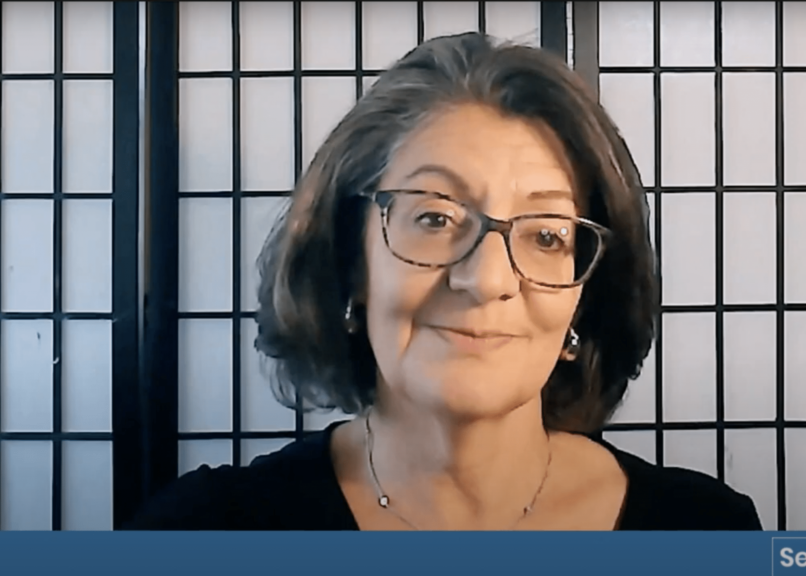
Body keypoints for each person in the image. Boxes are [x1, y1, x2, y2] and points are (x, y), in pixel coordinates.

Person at [126, 32, 762, 531]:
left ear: (583, 295)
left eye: (546, 235)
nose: (486, 280)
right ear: (352, 261)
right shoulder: (206, 532)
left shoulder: (708, 532)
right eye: (434, 217)